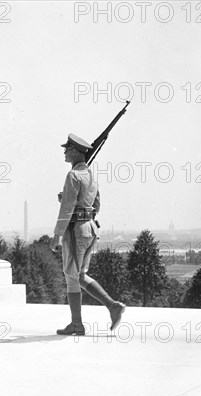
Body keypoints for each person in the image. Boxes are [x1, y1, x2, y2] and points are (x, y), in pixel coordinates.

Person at [50, 133, 125, 336]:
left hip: (75, 229)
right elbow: (95, 206)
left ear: (75, 151)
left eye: (67, 149)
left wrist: (57, 234)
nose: (65, 152)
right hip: (90, 228)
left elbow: (67, 208)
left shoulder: (73, 175)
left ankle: (77, 324)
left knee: (71, 276)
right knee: (80, 275)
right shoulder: (91, 177)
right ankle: (112, 306)